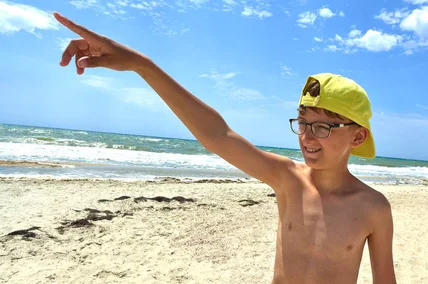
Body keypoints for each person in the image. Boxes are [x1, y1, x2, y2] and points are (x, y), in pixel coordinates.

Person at [53, 12, 396, 284]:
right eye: (302, 122)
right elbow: (217, 134)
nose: (307, 136)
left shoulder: (373, 208)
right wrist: (143, 65)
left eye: (323, 126)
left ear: (357, 137)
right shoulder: (287, 180)